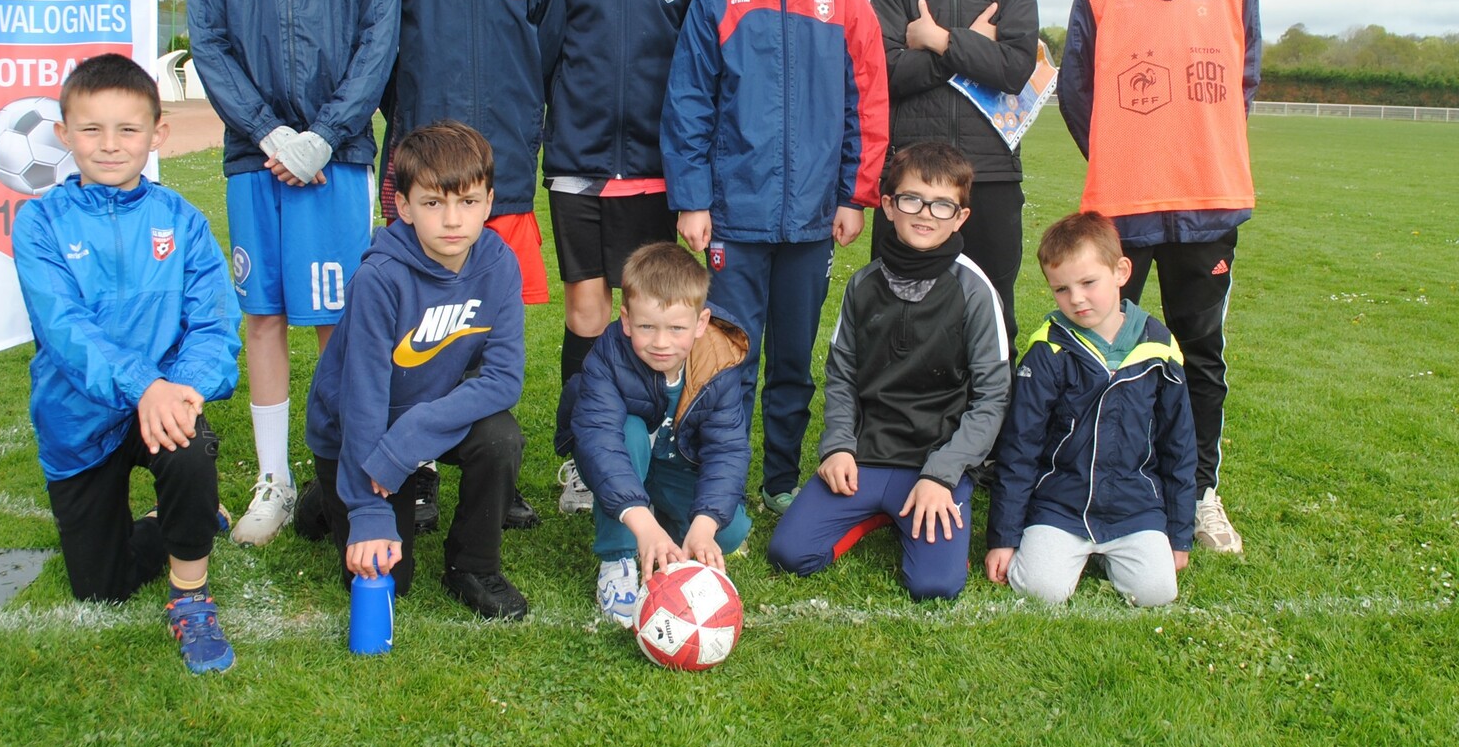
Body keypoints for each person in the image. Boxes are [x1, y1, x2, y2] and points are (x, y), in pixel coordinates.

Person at [186, 0, 400, 547]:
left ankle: (344, 471)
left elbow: (378, 45)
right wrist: (268, 131)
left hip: (335, 162)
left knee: (340, 323)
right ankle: (273, 479)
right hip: (257, 159)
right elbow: (208, 39)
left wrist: (322, 136)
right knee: (265, 315)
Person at [662, 0, 889, 514]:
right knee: (728, 354)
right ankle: (721, 482)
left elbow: (867, 105)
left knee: (792, 359)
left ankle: (780, 479)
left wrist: (855, 195)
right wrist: (693, 200)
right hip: (734, 215)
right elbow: (689, 105)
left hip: (813, 218)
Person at [1059, 0, 1259, 554]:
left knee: (1198, 353)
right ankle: (1095, 484)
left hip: (1209, 203)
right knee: (1104, 348)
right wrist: (1127, 152)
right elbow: (1077, 92)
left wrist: (1197, 147)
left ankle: (1199, 493)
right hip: (1122, 208)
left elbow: (1243, 82)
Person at [11, 54, 242, 674]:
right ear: (63, 135)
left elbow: (214, 321)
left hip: (163, 406)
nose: (110, 145)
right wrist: (146, 386)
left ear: (156, 134)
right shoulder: (39, 223)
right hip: (78, 419)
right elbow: (65, 330)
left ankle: (191, 598)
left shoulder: (182, 221)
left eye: (128, 129)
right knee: (102, 588)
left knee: (188, 443)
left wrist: (183, 390)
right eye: (92, 129)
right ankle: (182, 518)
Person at [380, 0, 564, 533]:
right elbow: (385, 64)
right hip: (425, 186)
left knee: (492, 332)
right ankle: (418, 472)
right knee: (419, 334)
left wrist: (515, 138)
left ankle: (496, 475)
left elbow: (546, 64)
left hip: (504, 184)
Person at [545, 0, 712, 516]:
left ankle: (649, 443)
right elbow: (546, 59)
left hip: (653, 172)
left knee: (650, 315)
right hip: (577, 169)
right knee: (587, 313)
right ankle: (581, 457)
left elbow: (700, 71)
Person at [302, 121, 529, 619]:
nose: (452, 220)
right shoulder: (379, 278)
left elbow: (504, 378)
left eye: (467, 201)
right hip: (356, 431)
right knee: (390, 579)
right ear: (403, 207)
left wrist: (409, 439)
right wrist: (367, 510)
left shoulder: (499, 264)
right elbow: (361, 400)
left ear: (489, 203)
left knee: (500, 438)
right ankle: (326, 496)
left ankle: (473, 566)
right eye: (432, 203)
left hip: (417, 422)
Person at [766, 143, 1009, 600]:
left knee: (934, 586)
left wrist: (943, 473)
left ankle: (912, 508)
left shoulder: (975, 291)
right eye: (912, 199)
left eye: (942, 205)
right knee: (789, 554)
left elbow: (992, 397)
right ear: (889, 205)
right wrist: (838, 447)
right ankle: (878, 509)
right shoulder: (863, 285)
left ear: (960, 217)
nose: (926, 214)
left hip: (935, 462)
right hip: (866, 457)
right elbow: (842, 377)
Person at [870, 0, 1039, 348]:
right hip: (910, 174)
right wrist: (969, 49)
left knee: (991, 309)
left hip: (991, 175)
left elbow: (1014, 70)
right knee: (896, 308)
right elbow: (885, 73)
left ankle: (993, 402)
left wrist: (938, 40)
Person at [985, 212, 1197, 606]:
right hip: (1060, 504)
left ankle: (1114, 552)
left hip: (1136, 507)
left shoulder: (1159, 347)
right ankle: (1069, 551)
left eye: (1088, 283)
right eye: (1061, 289)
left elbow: (1179, 445)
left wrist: (1180, 534)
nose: (1076, 299)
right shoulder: (1048, 350)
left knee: (1157, 592)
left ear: (1121, 271)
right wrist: (1004, 538)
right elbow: (1020, 447)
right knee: (1042, 591)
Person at [554, 243, 752, 625]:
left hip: (674, 461)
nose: (661, 342)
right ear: (626, 320)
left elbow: (726, 450)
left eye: (676, 328)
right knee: (627, 431)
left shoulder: (719, 360)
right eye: (647, 327)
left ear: (701, 323)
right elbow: (600, 441)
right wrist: (641, 524)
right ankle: (617, 558)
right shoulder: (609, 354)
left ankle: (661, 517)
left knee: (727, 534)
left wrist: (705, 523)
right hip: (626, 452)